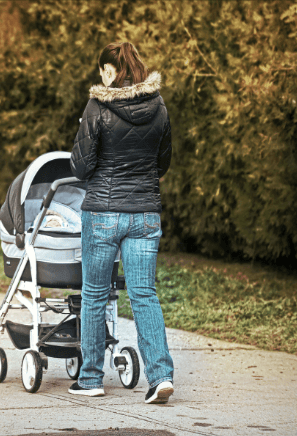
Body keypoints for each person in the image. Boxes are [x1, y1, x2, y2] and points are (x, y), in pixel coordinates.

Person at [69, 42, 174, 404]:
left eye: (102, 70)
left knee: (95, 294)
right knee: (144, 294)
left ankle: (91, 378)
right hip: (145, 213)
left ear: (111, 72)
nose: (101, 77)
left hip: (102, 212)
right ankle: (160, 376)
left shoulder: (98, 106)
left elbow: (80, 166)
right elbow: (163, 163)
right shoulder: (159, 106)